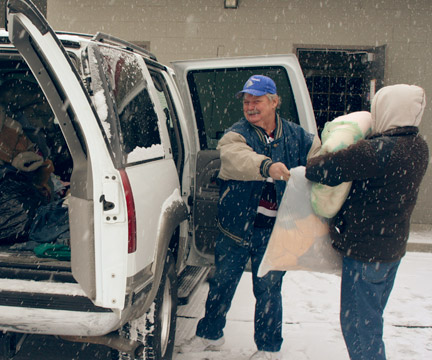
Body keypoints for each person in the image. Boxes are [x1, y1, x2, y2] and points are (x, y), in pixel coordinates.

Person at [181, 75, 320, 360]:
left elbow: (318, 153)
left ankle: (269, 348)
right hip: (235, 228)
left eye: (256, 101)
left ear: (274, 102)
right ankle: (210, 335)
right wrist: (267, 165)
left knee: (269, 289)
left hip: (275, 230)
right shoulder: (236, 133)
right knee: (221, 284)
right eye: (246, 101)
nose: (250, 107)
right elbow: (235, 158)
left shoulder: (296, 136)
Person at [305, 84, 428, 360]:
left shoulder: (377, 150)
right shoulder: (418, 146)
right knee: (371, 321)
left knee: (360, 329)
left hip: (365, 254)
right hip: (390, 251)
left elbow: (320, 169)